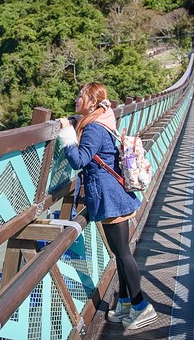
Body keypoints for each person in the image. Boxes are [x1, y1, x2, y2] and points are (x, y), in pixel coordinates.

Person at [56, 82, 157, 330]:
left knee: (122, 253)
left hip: (109, 196)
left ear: (92, 101)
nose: (76, 99)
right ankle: (124, 302)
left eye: (80, 96)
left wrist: (68, 134)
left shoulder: (93, 128)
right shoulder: (102, 120)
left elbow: (80, 160)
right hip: (114, 193)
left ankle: (141, 306)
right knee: (120, 253)